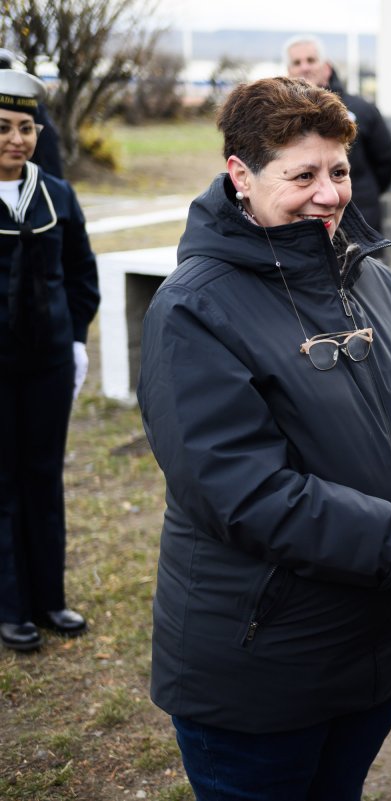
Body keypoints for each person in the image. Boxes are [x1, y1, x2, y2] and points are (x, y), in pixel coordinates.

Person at [137, 77, 391, 798]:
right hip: (262, 667)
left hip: (374, 652)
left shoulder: (372, 279)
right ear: (241, 174)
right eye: (302, 176)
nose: (329, 195)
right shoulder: (194, 309)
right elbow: (241, 491)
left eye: (339, 171)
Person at [0, 70, 97, 653]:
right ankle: (11, 605)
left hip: (48, 364)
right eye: (3, 128)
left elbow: (81, 274)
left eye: (26, 128)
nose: (17, 139)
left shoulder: (56, 194)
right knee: (2, 481)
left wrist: (76, 339)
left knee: (43, 475)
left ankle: (49, 598)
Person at [284, 34, 391, 234]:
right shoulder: (278, 118)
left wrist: (362, 192)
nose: (304, 67)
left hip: (359, 220)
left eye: (311, 60)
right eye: (297, 62)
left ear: (326, 67)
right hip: (302, 224)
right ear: (288, 71)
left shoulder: (363, 110)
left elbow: (385, 161)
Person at [0, 50, 63, 178]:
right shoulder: (32, 105)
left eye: (26, 128)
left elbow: (47, 144)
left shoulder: (31, 106)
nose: (17, 140)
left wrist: (49, 185)